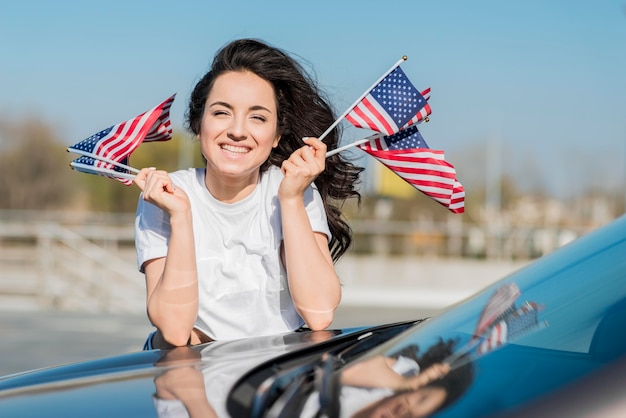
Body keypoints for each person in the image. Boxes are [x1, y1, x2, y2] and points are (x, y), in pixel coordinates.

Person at [134, 38, 363, 349]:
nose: (238, 131)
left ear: (276, 136)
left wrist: (292, 199)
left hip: (275, 372)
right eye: (221, 113)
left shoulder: (293, 189)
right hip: (191, 372)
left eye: (257, 117)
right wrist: (181, 216)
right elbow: (174, 331)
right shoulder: (166, 195)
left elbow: (319, 313)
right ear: (198, 125)